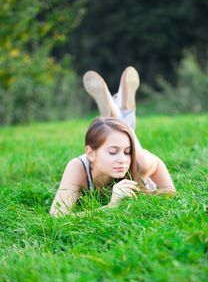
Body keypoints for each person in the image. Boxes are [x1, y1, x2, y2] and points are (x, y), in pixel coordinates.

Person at [50, 66, 176, 217]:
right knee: (119, 134)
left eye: (127, 152)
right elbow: (57, 217)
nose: (123, 160)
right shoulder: (78, 168)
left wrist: (166, 191)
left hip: (140, 174)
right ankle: (121, 115)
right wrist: (111, 206)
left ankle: (118, 115)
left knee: (127, 145)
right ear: (91, 154)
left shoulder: (137, 161)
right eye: (112, 152)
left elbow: (160, 171)